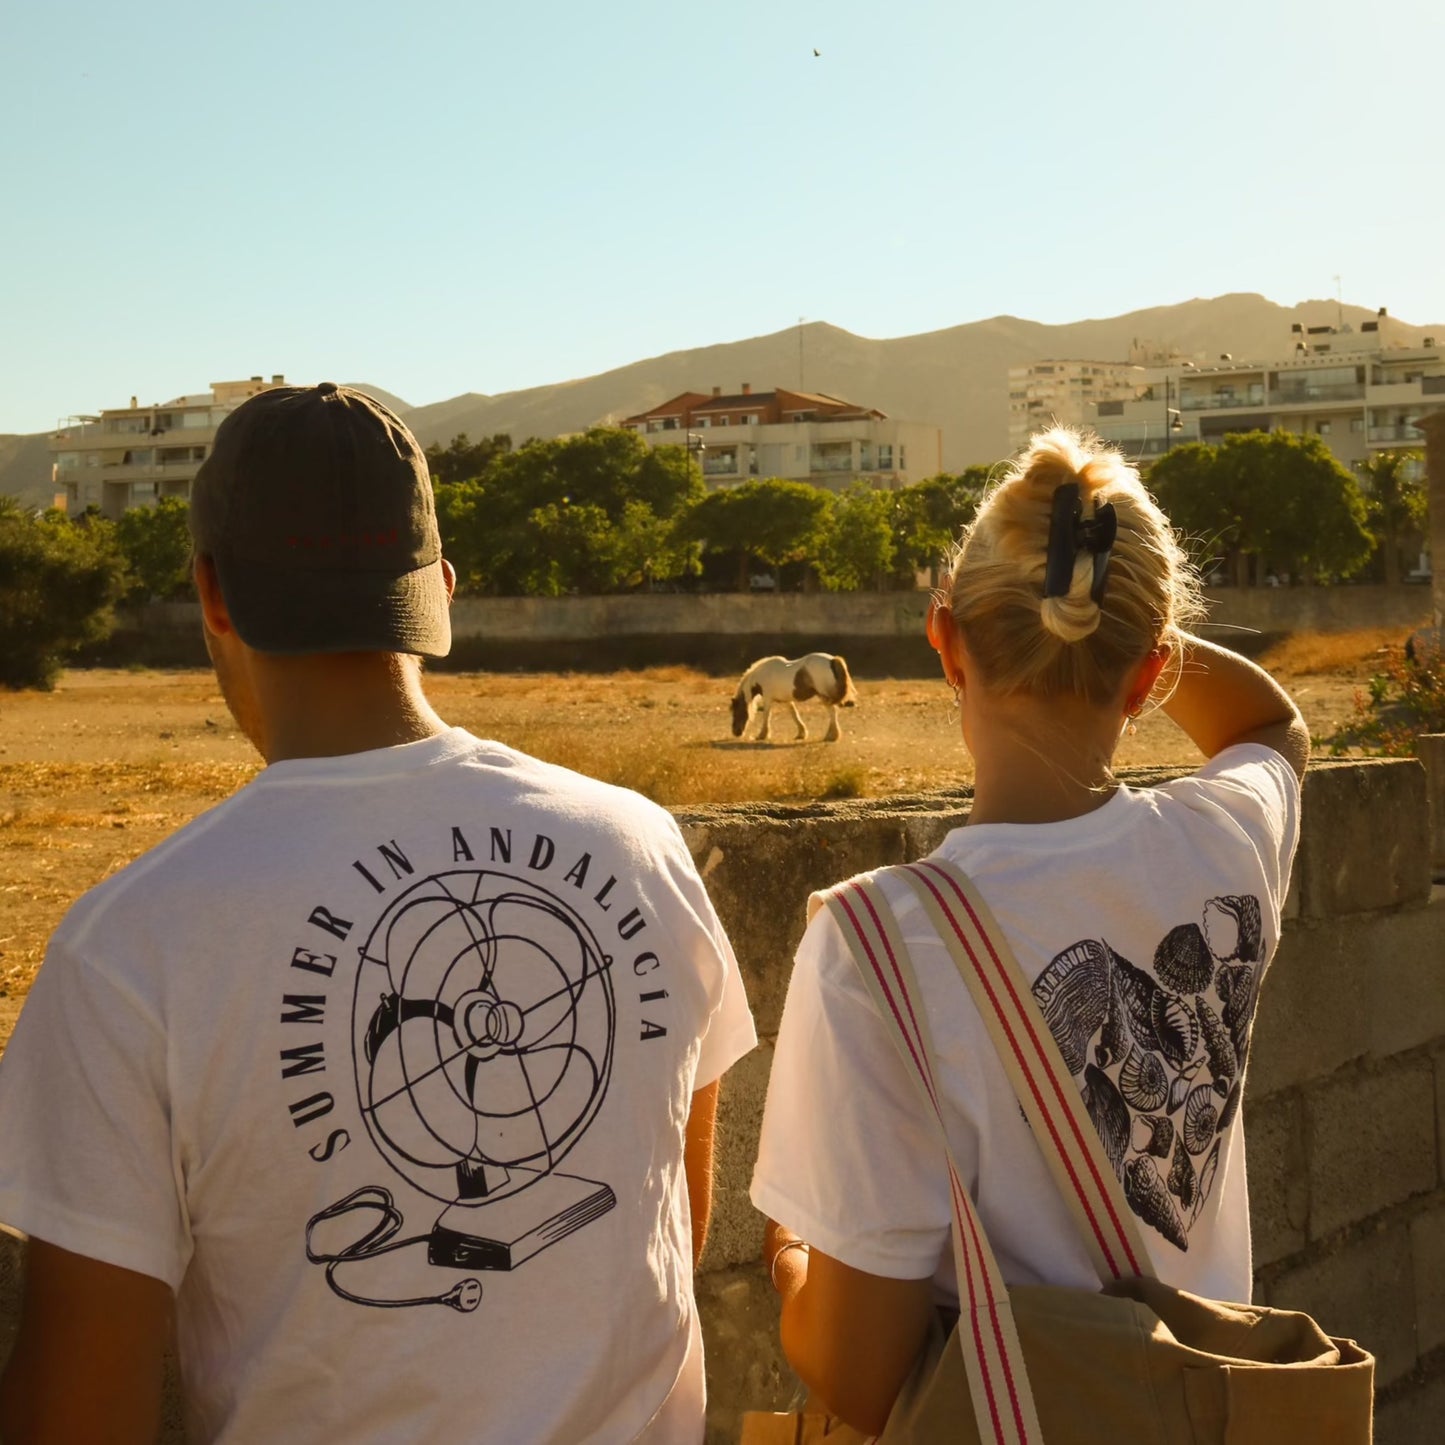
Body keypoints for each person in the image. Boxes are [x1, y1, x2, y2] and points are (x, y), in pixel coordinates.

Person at [0, 383, 756, 1444]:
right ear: (440, 589)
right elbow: (668, 1215)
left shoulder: (128, 948)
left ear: (211, 594)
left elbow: (79, 1412)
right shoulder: (641, 845)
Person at [749, 426, 1308, 1434]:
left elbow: (857, 1375)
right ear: (1151, 677)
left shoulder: (875, 943)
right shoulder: (1226, 839)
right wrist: (1109, 616)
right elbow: (1271, 728)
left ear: (942, 640)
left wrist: (790, 1252)